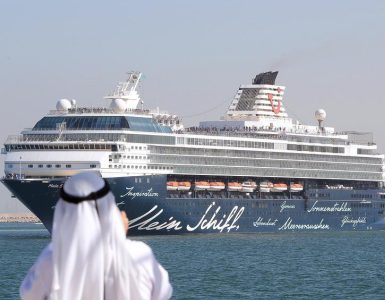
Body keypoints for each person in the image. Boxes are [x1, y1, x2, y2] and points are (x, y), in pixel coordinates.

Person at [20, 171, 172, 300]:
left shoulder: (52, 257)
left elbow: (28, 295)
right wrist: (120, 236)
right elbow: (163, 292)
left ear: (63, 210)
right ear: (110, 205)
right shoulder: (139, 253)